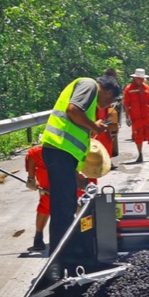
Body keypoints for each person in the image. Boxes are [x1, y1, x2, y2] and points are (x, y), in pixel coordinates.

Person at [41, 75, 121, 254]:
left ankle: (63, 251)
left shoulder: (90, 98)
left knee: (67, 204)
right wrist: (94, 127)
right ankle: (60, 255)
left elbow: (76, 126)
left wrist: (76, 172)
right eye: (111, 101)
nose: (107, 105)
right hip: (59, 151)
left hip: (63, 154)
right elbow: (73, 110)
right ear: (109, 92)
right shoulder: (89, 84)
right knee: (63, 207)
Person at [123, 67, 149, 163]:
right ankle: (140, 155)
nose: (140, 80)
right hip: (135, 117)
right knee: (138, 136)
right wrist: (127, 118)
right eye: (139, 78)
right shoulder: (128, 89)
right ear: (134, 78)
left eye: (142, 78)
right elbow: (126, 105)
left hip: (147, 116)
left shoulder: (147, 88)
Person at [25, 145, 50, 252]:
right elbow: (34, 154)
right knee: (46, 203)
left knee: (81, 201)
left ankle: (85, 233)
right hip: (48, 171)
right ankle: (38, 236)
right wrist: (31, 179)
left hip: (74, 170)